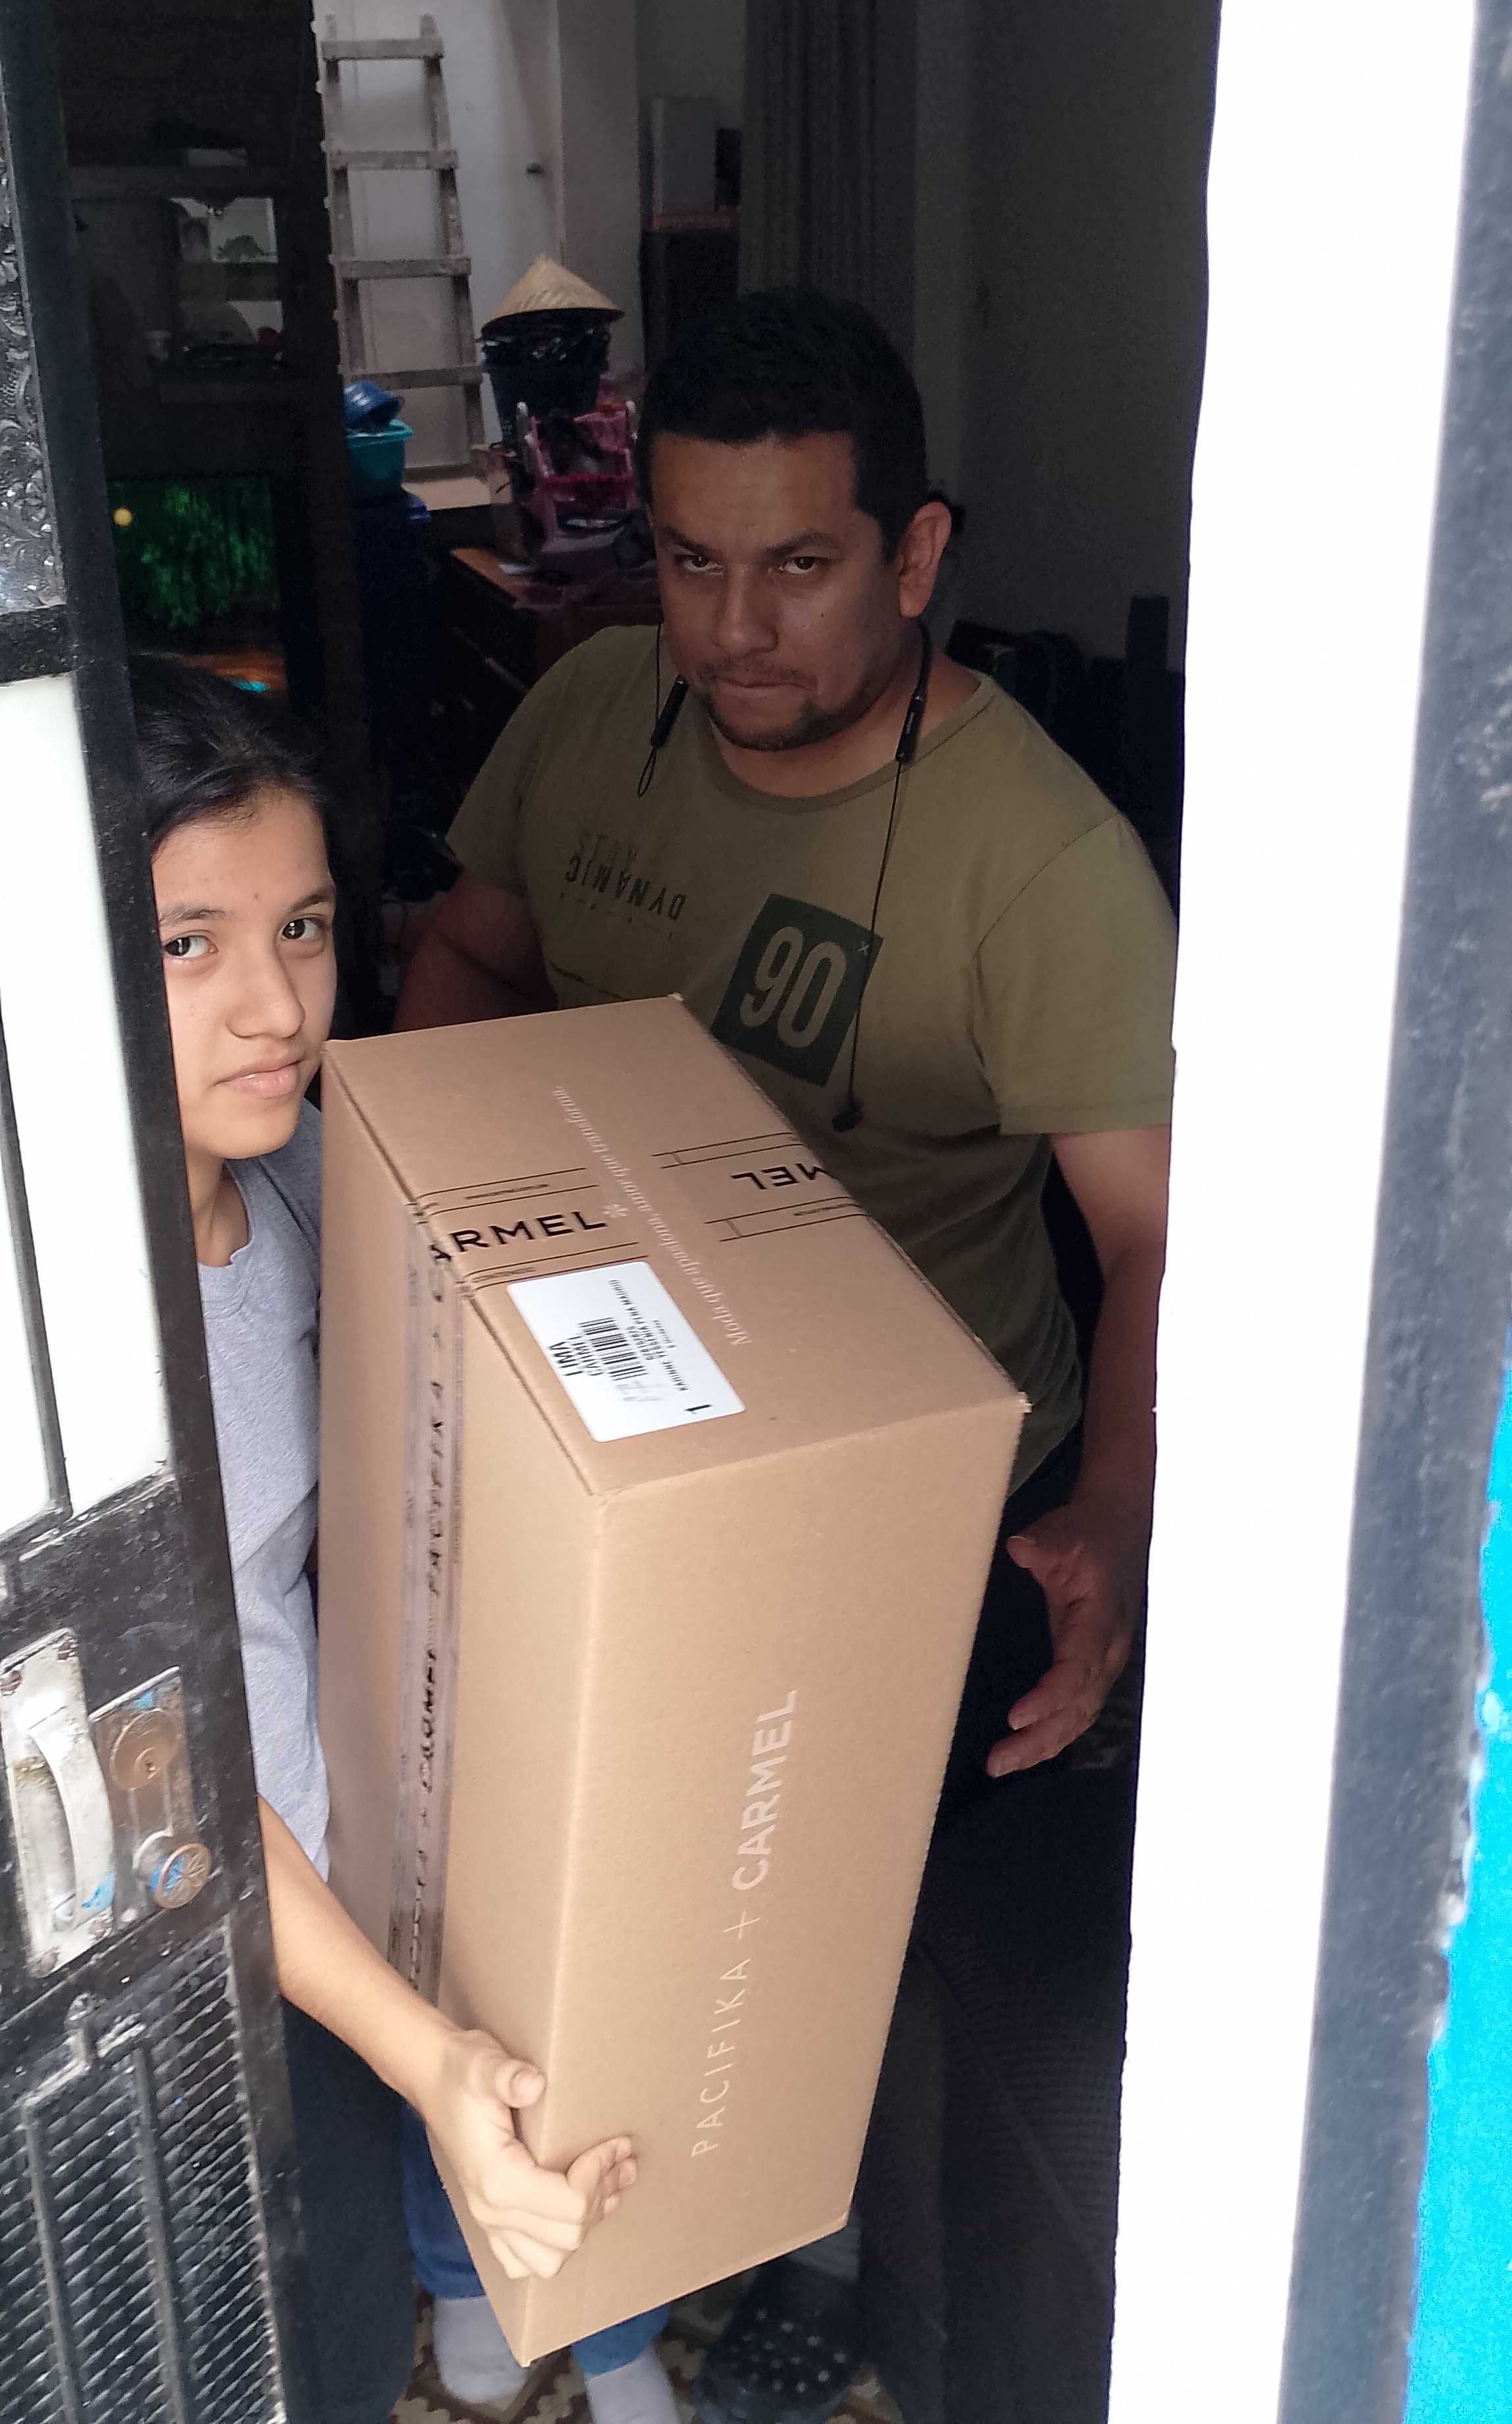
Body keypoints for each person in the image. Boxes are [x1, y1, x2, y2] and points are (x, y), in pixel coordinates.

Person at [395, 287, 1175, 2420]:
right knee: (583, 1857)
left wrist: (1117, 1510)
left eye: (802, 565)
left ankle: (826, 2259)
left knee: (843, 1916)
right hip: (606, 1414)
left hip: (920, 1493)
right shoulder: (597, 710)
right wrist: (421, 1252)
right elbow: (472, 951)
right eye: (688, 559)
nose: (733, 631)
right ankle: (612, 2216)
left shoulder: (1045, 865)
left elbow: (1156, 1238)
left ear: (917, 556)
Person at [133, 661, 675, 2424]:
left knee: (357, 2317)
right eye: (187, 945)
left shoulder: (298, 1181)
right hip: (192, 1929)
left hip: (336, 1849)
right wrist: (421, 2048)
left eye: (299, 926)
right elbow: (169, 1752)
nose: (276, 1003)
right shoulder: (62, 1353)